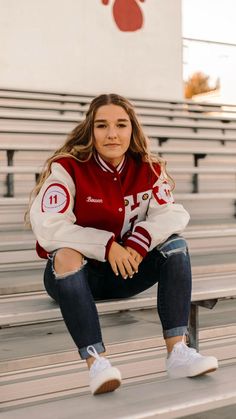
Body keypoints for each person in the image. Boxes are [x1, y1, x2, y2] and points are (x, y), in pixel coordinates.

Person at [28, 93, 218, 396]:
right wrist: (107, 246)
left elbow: (173, 214)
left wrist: (138, 242)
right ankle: (97, 363)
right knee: (65, 254)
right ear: (91, 130)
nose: (112, 134)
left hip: (126, 272)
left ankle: (178, 353)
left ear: (133, 130)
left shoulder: (149, 169)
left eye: (121, 125)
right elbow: (48, 227)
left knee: (176, 247)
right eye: (102, 126)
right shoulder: (68, 168)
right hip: (77, 277)